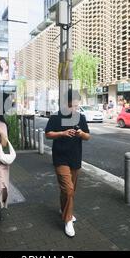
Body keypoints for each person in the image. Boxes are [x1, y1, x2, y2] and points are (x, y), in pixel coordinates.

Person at [45, 90, 90, 237]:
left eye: (77, 106)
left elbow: (87, 136)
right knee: (69, 189)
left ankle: (63, 209)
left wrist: (81, 134)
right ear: (66, 104)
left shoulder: (81, 117)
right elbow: (48, 134)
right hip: (60, 158)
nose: (75, 109)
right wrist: (62, 133)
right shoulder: (56, 117)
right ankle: (68, 220)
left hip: (75, 158)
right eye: (72, 106)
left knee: (69, 190)